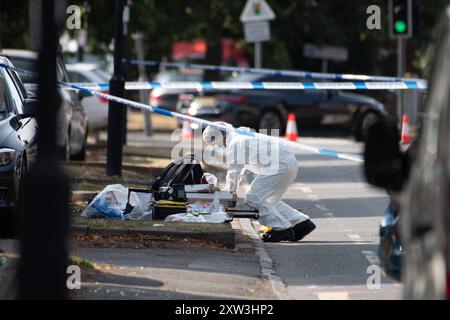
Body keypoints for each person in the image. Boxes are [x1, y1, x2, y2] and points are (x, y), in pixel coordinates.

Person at [203, 122, 316, 242]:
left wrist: (228, 193)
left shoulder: (236, 143)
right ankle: (301, 223)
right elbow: (239, 169)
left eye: (219, 145)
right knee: (267, 201)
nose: (221, 147)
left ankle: (281, 229)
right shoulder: (241, 135)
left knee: (254, 198)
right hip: (287, 163)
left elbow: (234, 171)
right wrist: (230, 192)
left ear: (221, 138)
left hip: (279, 166)